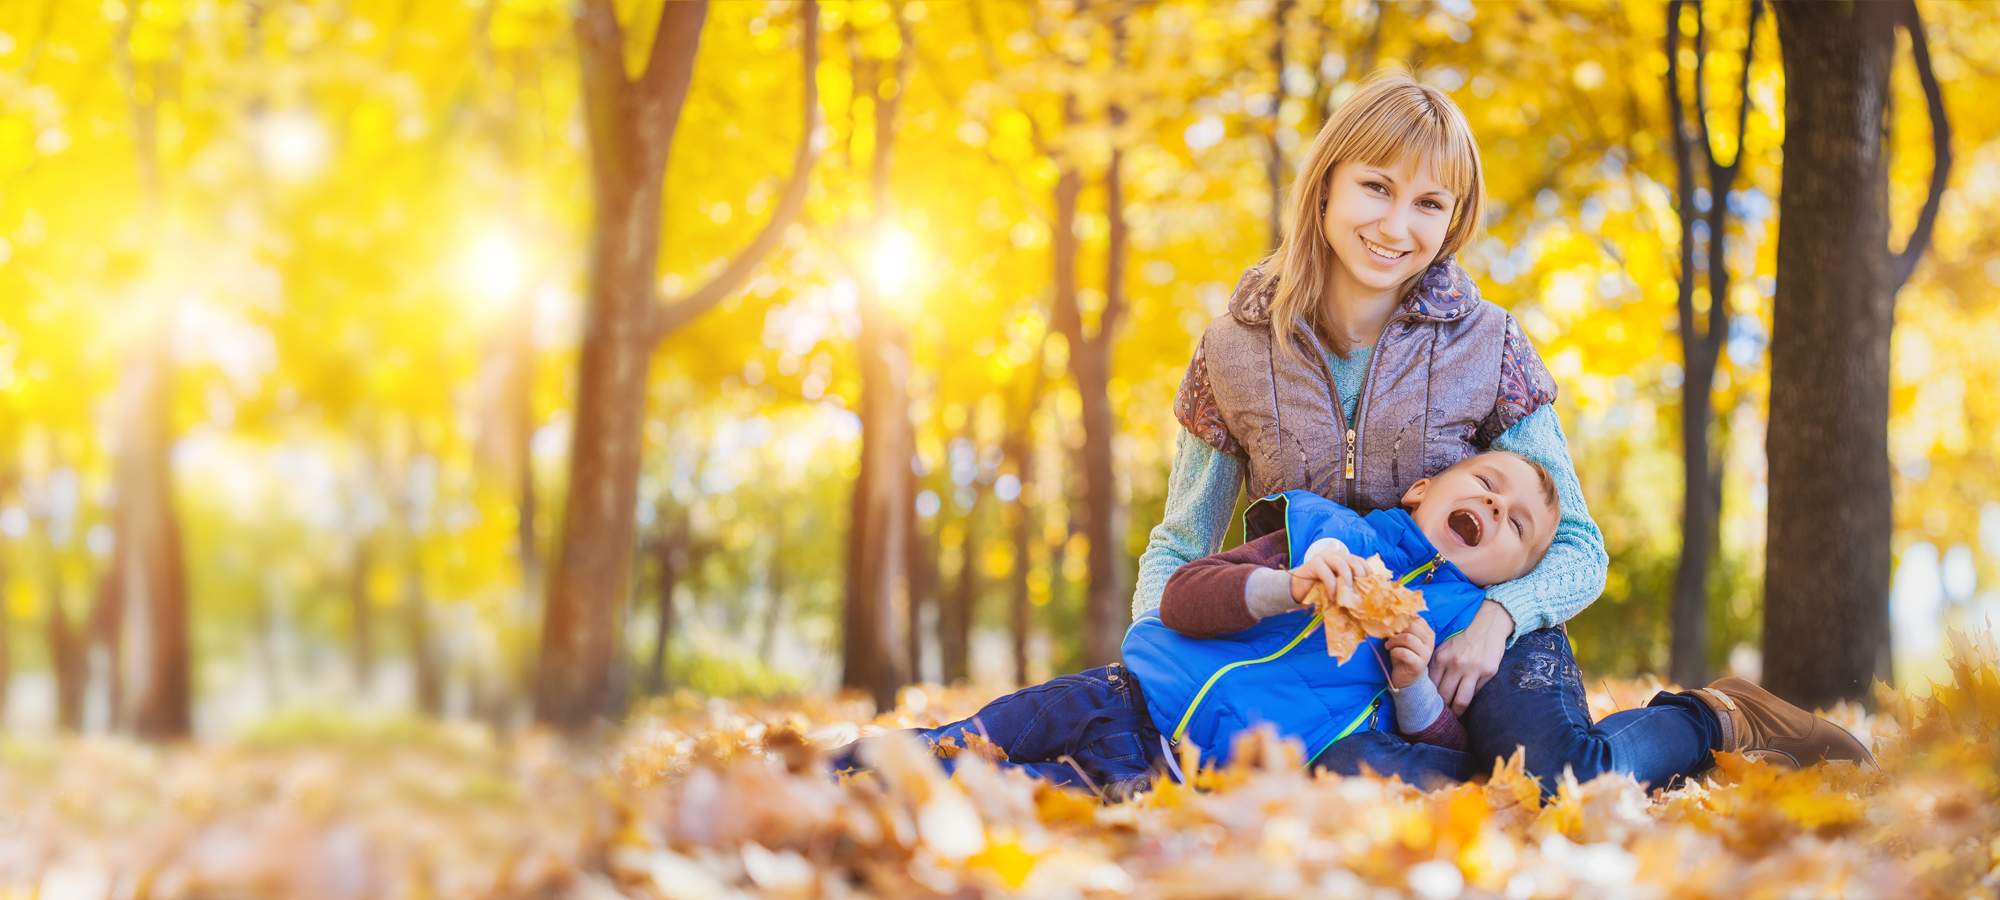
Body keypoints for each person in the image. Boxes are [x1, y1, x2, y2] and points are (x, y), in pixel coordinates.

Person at [1134, 70, 1608, 779]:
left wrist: (1497, 621)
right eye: (1377, 187)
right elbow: (1181, 543)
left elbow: (1577, 544)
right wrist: (1146, 674)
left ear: (1452, 220)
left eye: (1428, 203)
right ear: (1326, 184)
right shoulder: (1230, 351)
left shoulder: (1491, 345)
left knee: (1551, 776)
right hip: (1313, 662)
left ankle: (1714, 719)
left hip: (1468, 640)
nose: (1395, 227)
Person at [832, 450, 1561, 794]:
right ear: (1422, 486)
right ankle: (820, 774)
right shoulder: (1324, 531)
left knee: (1005, 792)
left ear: (1512, 572)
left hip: (1173, 772)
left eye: (1517, 525)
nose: (1497, 509)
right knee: (954, 743)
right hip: (1118, 693)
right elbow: (1184, 595)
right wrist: (1283, 585)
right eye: (1488, 486)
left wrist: (1412, 685)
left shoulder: (1460, 629)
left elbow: (1442, 742)